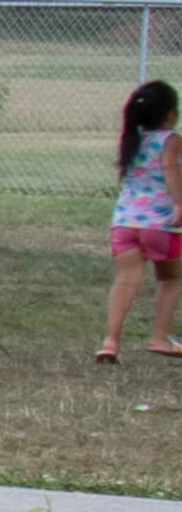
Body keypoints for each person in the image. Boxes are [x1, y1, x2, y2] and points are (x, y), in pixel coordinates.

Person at [108, 77, 182, 361]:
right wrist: (179, 204)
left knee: (125, 280)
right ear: (171, 114)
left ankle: (110, 341)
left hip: (124, 222)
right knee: (171, 278)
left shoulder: (132, 140)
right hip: (160, 225)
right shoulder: (171, 140)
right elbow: (169, 168)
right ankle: (159, 338)